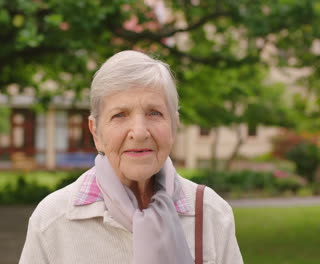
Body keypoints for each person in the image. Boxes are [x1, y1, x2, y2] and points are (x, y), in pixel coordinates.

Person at [19, 50, 243, 264]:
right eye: (119, 115)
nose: (139, 132)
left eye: (154, 113)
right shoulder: (52, 221)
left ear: (174, 125)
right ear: (96, 132)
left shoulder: (211, 213)